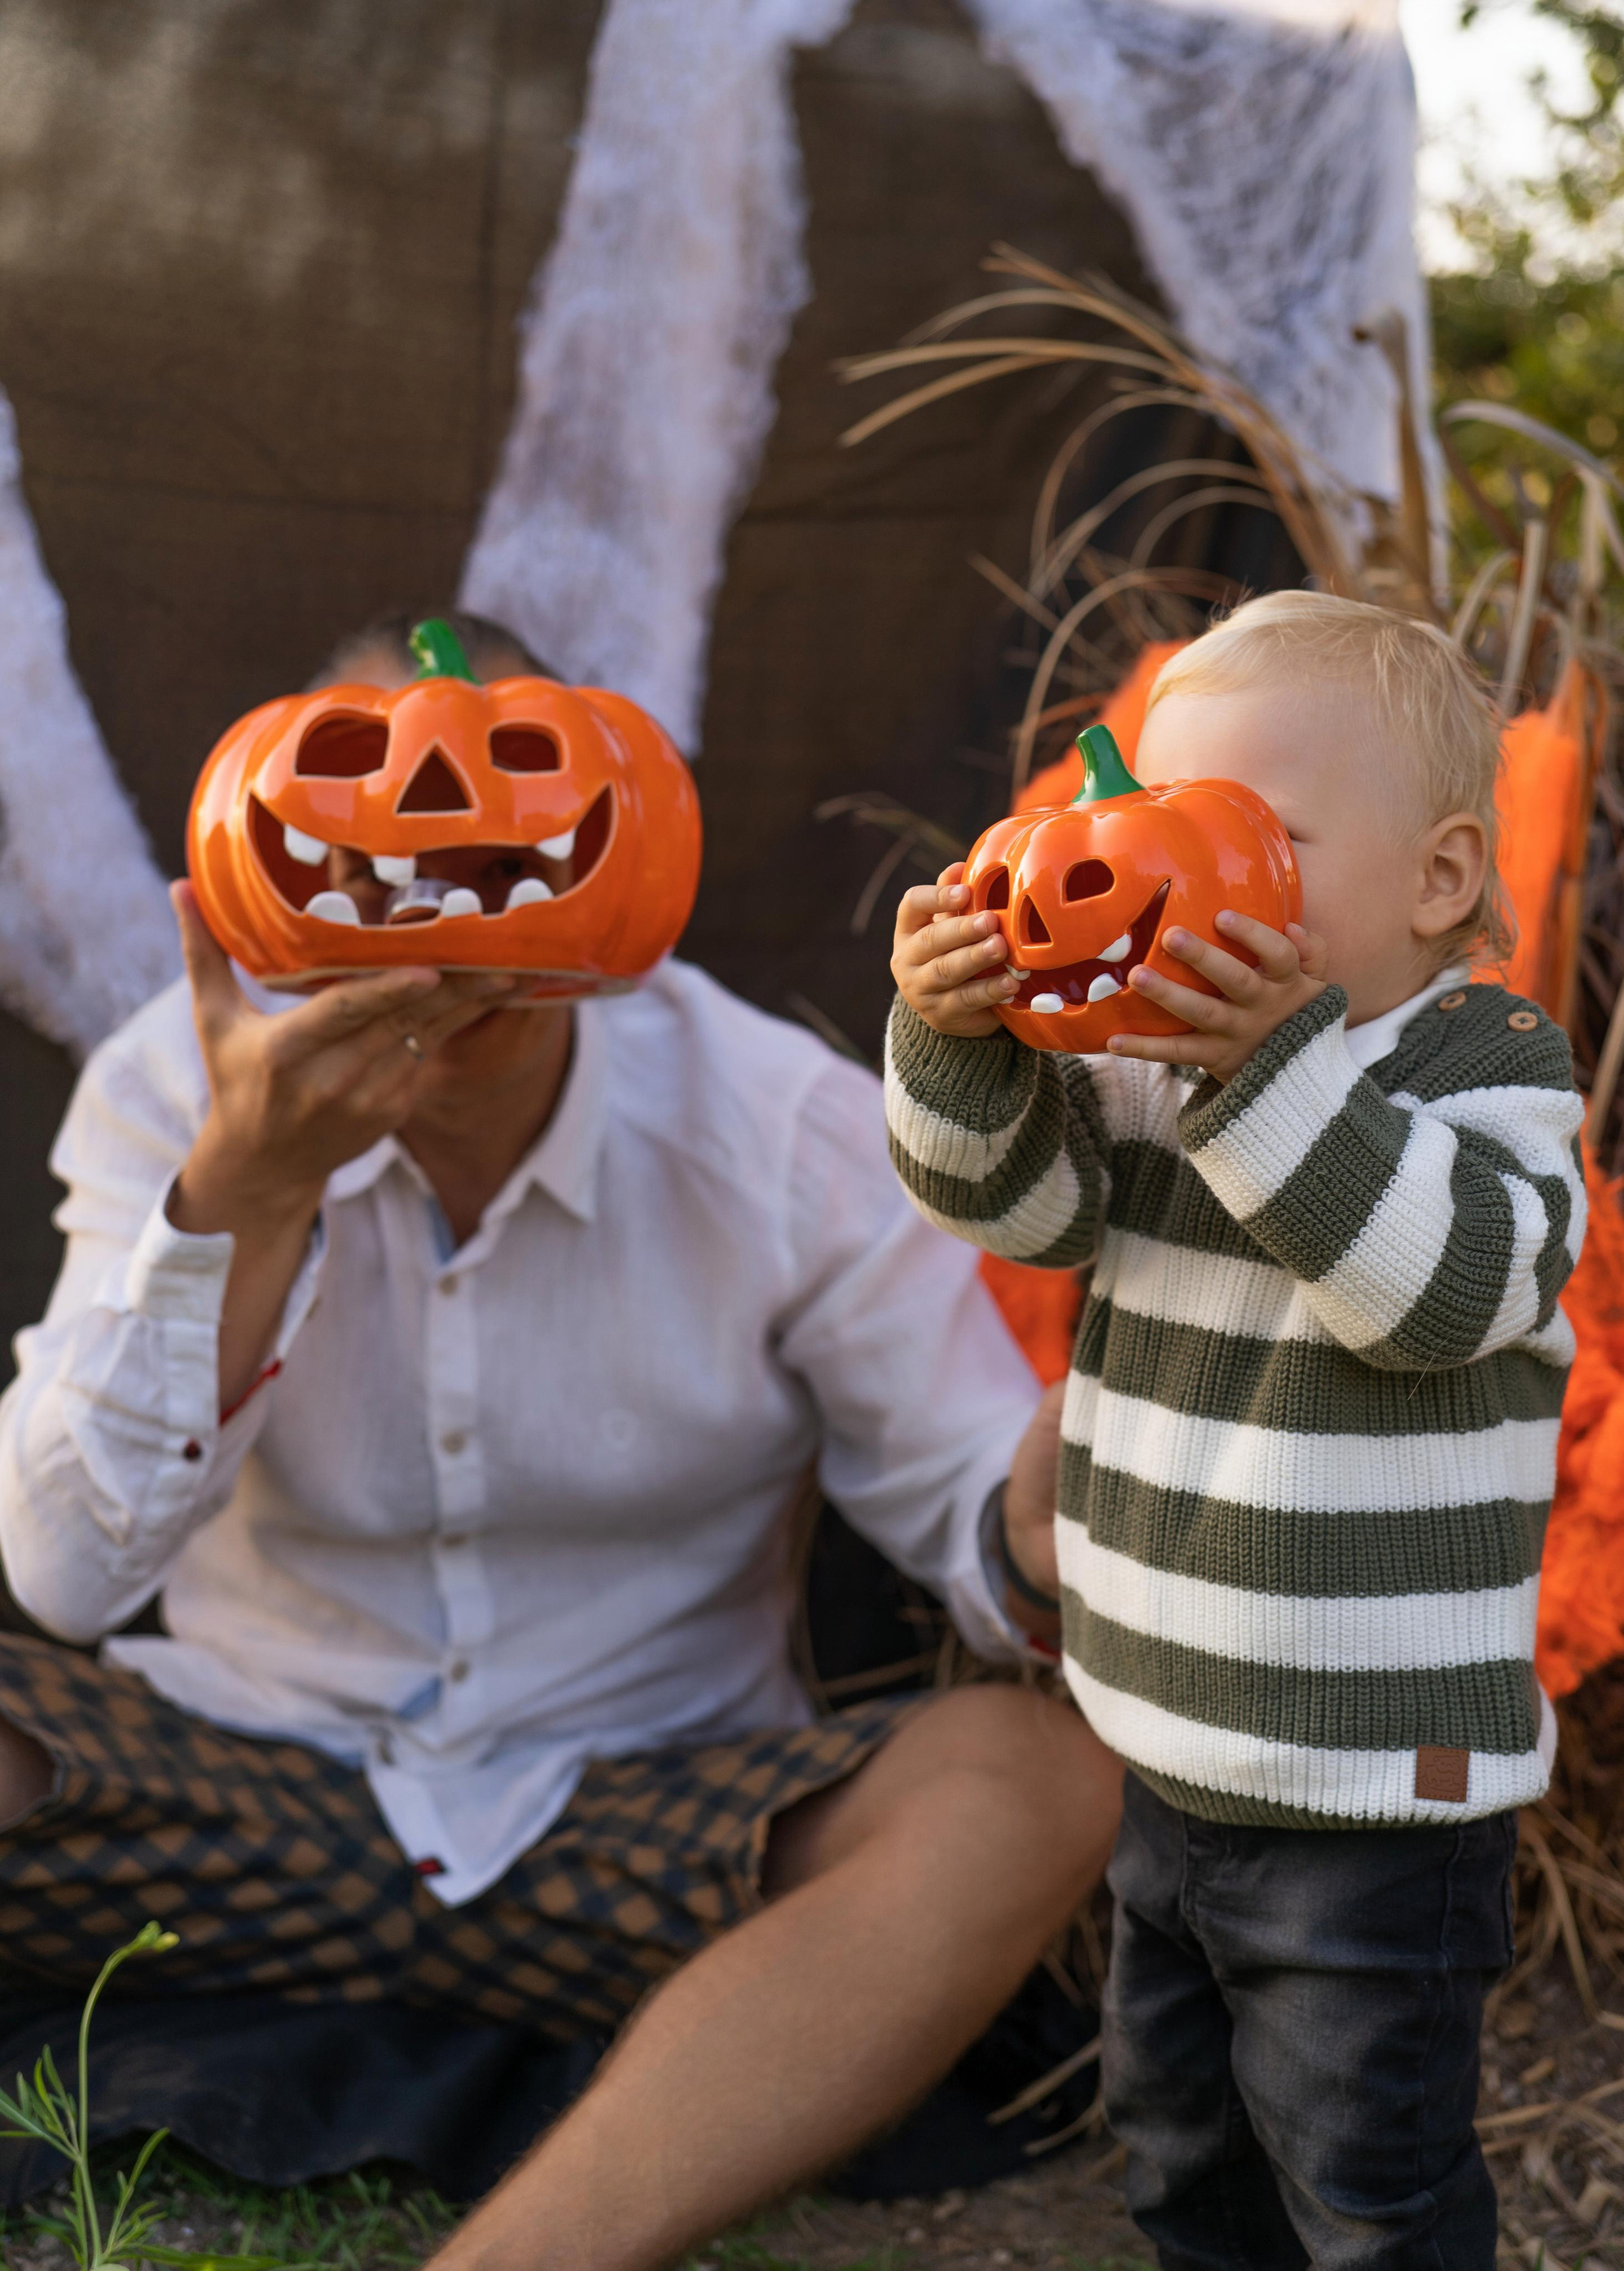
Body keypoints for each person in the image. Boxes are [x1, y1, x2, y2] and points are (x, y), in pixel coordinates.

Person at [0, 609, 1122, 2271]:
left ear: (605, 867)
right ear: (275, 871)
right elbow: (63, 1580)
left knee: (1033, 1778)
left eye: (499, 861)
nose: (444, 931)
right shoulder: (173, 1090)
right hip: (238, 1778)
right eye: (380, 866)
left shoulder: (780, 1125)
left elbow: (963, 1497)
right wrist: (243, 1190)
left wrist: (1026, 1547)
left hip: (649, 1814)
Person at [886, 589, 1586, 2271]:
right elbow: (1018, 1211)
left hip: (1377, 1786)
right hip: (1168, 1742)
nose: (1163, 865)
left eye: (1249, 834)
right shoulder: (1139, 1072)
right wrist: (957, 1042)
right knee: (1185, 2153)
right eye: (1151, 819)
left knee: (1366, 2183)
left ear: (1439, 878)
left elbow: (1439, 1292)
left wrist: (1267, 1075)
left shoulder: (1490, 1072)